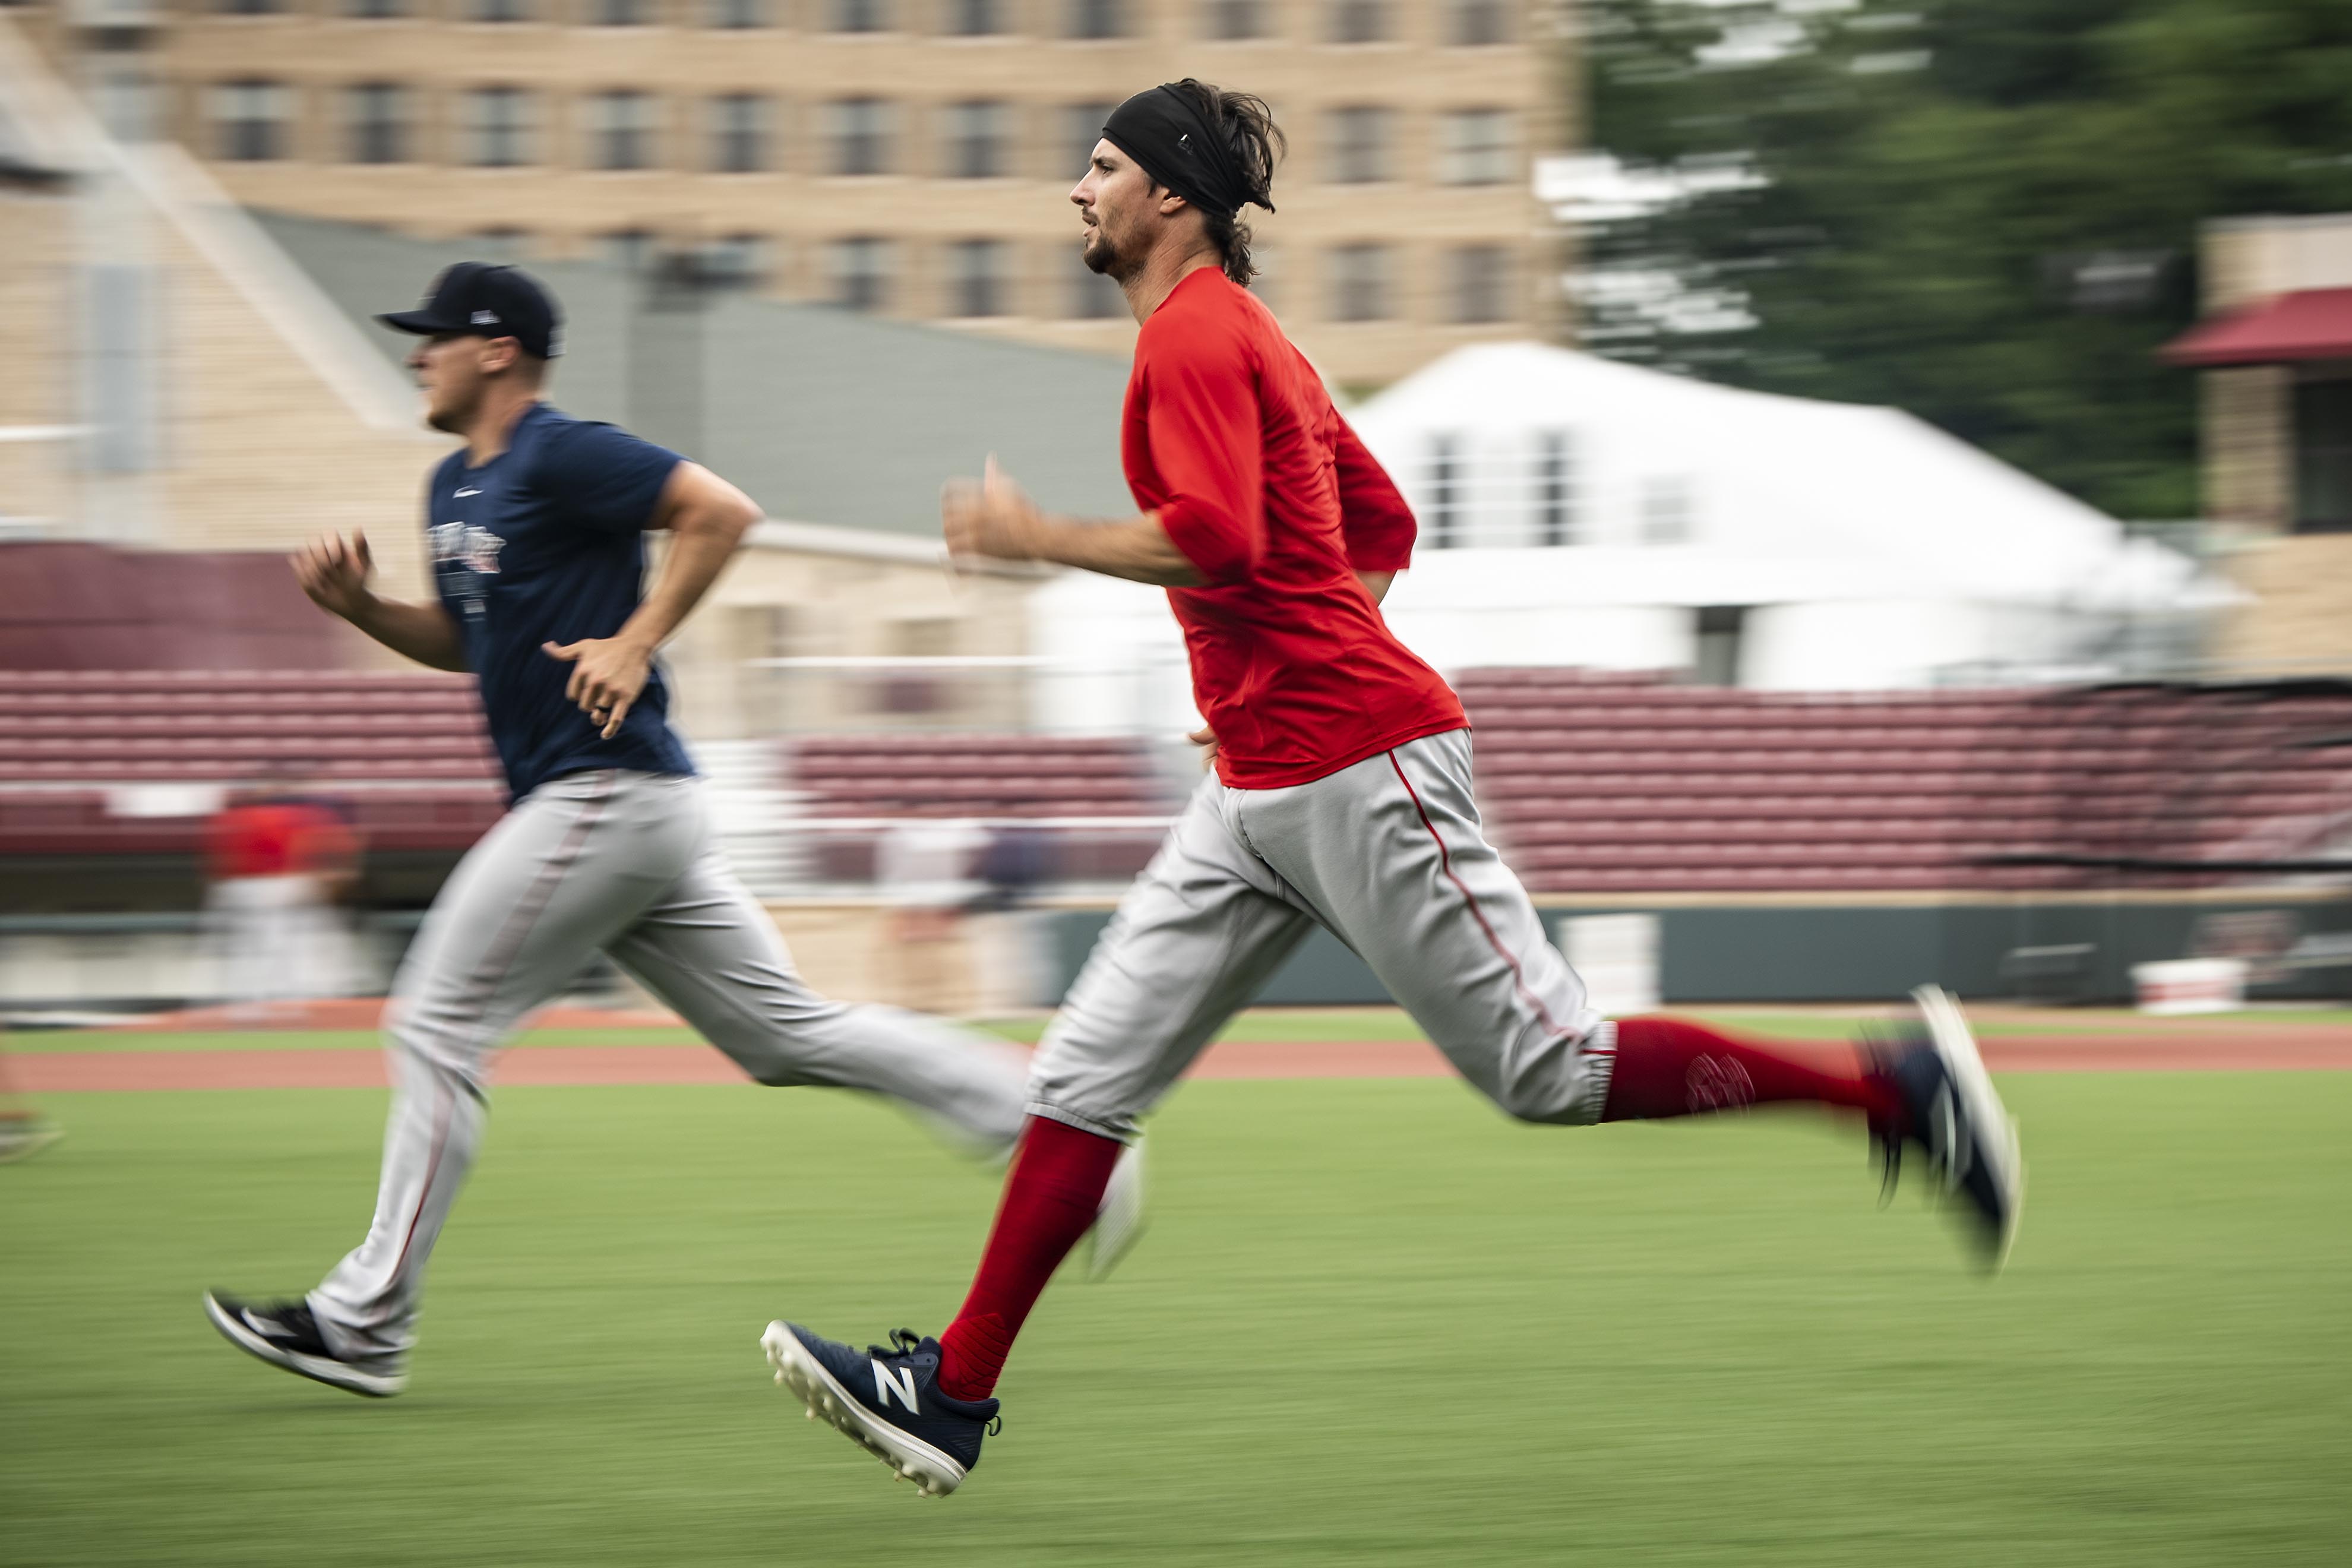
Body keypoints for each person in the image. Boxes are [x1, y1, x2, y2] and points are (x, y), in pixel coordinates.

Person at [763, 80, 2024, 1498]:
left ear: (1170, 197)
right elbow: (1380, 523)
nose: (1079, 190)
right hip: (1262, 777)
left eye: (1102, 166)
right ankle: (953, 1393)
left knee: (1553, 1070)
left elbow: (1223, 538)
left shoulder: (1193, 335)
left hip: (1357, 765)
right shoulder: (1252, 339)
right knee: (1084, 1077)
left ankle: (1892, 1089)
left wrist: (1038, 535)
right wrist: (1279, 665)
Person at [202, 262, 1137, 1399]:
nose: (415, 354)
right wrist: (363, 611)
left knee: (434, 1027)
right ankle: (1071, 1147)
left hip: (604, 791)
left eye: (433, 338)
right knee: (787, 1039)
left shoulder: (563, 451)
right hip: (628, 807)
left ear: (497, 349)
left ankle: (362, 1323)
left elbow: (722, 510)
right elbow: (470, 639)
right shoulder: (452, 485)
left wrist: (638, 637)